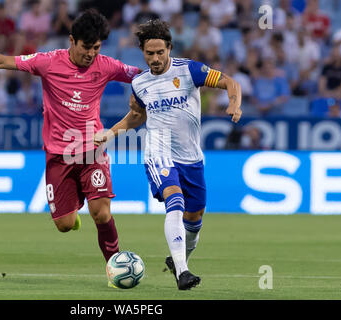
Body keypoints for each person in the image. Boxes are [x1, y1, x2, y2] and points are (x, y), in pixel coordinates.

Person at [0, 10, 140, 284]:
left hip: (92, 150)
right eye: (86, 47)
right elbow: (3, 61)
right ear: (72, 40)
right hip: (59, 157)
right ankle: (72, 211)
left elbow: (142, 76)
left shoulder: (107, 65)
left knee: (101, 212)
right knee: (64, 225)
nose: (91, 53)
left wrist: (177, 79)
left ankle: (115, 270)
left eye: (96, 47)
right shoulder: (48, 62)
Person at [94, 19, 242, 290]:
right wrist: (111, 132)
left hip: (192, 157)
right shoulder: (140, 83)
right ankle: (183, 273)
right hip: (158, 152)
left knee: (194, 221)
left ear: (169, 48)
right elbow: (136, 117)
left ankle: (179, 259)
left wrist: (234, 103)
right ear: (142, 51)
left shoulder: (190, 70)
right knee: (174, 199)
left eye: (160, 52)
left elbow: (230, 82)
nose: (155, 58)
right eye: (149, 53)